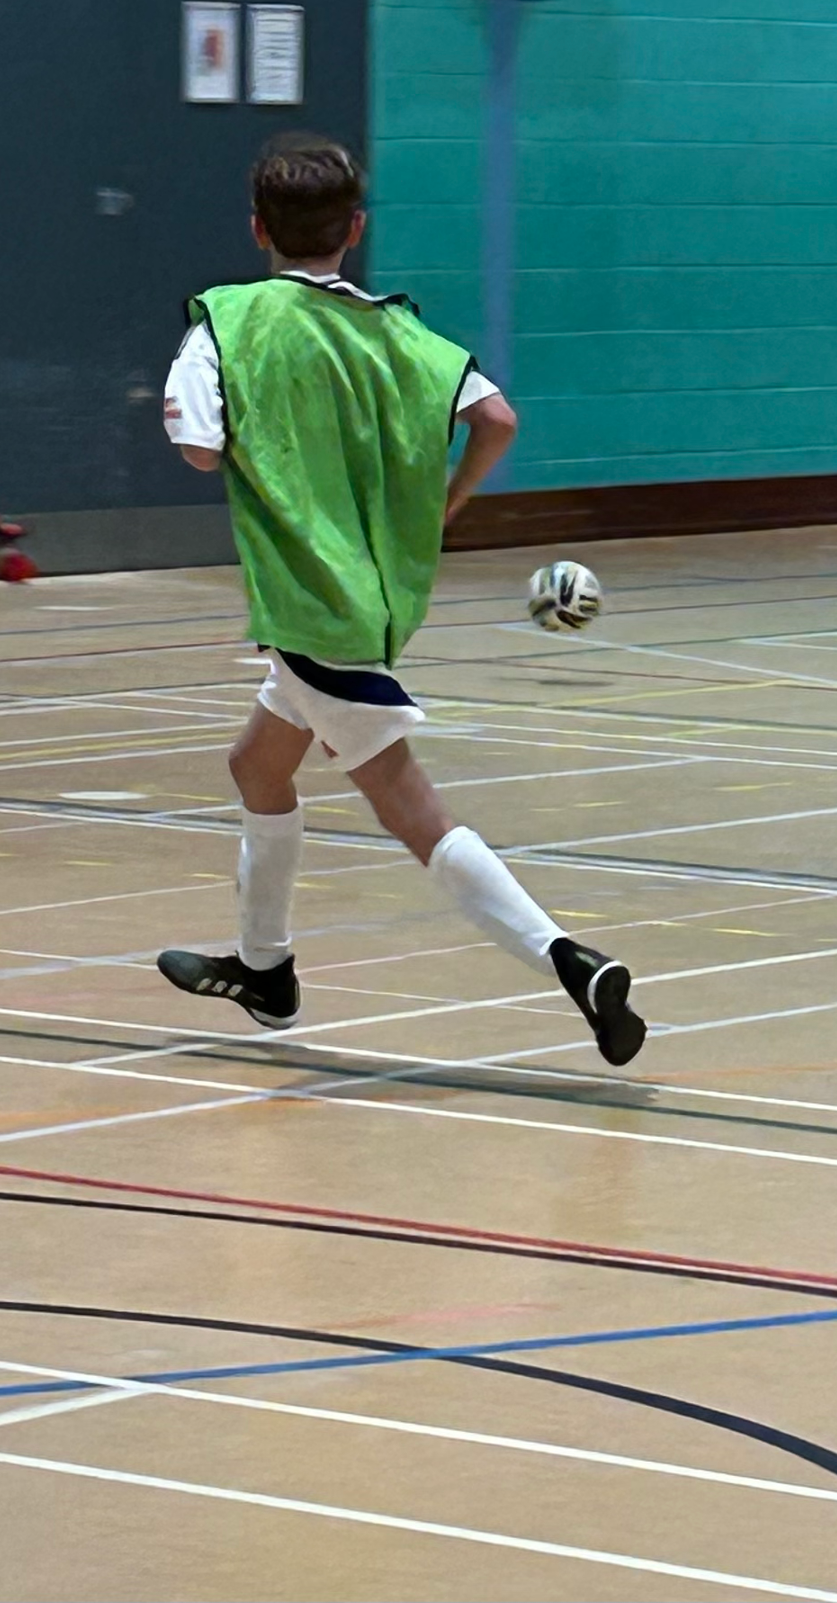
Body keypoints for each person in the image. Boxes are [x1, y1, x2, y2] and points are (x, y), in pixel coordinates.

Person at [156, 135, 646, 1065]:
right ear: (358, 229)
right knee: (259, 767)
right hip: (370, 603)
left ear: (258, 228)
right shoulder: (404, 333)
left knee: (407, 803)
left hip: (313, 603)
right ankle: (266, 971)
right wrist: (441, 507)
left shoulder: (228, 320)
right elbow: (497, 420)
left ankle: (569, 961)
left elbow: (199, 450)